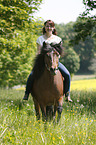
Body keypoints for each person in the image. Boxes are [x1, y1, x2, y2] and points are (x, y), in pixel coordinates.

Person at [23, 20, 73, 102]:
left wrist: (55, 57)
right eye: (47, 26)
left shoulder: (58, 39)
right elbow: (38, 52)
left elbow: (59, 53)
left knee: (67, 74)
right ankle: (27, 93)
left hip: (55, 62)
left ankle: (67, 95)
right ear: (44, 27)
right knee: (31, 75)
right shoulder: (40, 39)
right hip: (43, 63)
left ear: (53, 28)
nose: (49, 28)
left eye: (51, 26)